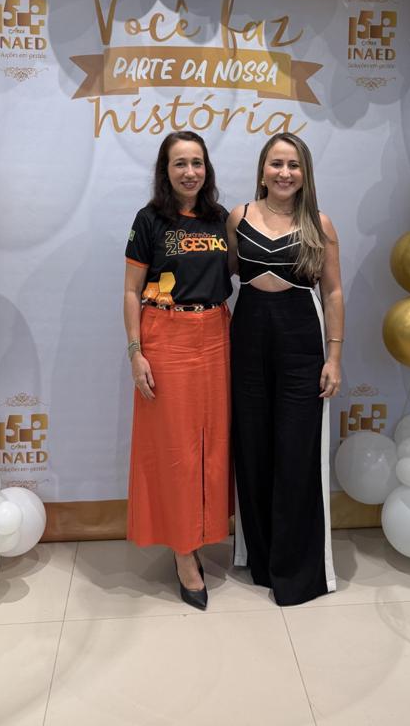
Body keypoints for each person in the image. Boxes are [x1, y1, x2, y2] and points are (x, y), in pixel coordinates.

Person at [227, 132, 343, 606]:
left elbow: (332, 292)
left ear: (304, 174)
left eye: (293, 165)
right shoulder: (239, 217)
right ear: (262, 171)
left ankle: (297, 572)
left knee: (296, 452)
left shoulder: (319, 223)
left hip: (301, 337)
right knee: (253, 447)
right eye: (276, 164)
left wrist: (334, 356)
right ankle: (261, 560)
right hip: (248, 334)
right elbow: (224, 275)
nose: (284, 173)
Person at [124, 131, 232, 610]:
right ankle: (183, 552)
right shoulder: (149, 220)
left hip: (216, 334)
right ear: (164, 171)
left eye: (197, 163)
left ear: (207, 169)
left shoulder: (221, 219)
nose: (190, 172)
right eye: (180, 163)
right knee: (175, 450)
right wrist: (135, 352)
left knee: (212, 446)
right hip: (165, 335)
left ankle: (203, 532)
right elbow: (131, 291)